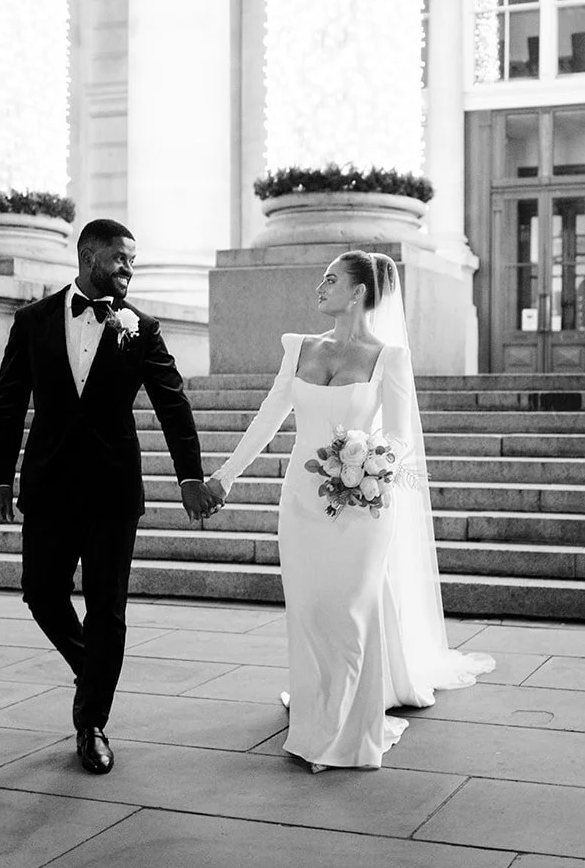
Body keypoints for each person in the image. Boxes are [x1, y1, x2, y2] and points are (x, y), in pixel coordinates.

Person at [204, 250, 494, 771]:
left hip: (362, 507)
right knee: (310, 612)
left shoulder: (389, 358)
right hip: (302, 503)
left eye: (331, 279)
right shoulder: (298, 348)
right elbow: (268, 419)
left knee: (349, 615)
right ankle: (315, 708)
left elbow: (402, 441)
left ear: (359, 292)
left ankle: (339, 736)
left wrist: (372, 470)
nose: (320, 287)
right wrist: (224, 477)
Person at [0, 218, 221, 775]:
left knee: (107, 610)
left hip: (113, 490)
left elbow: (173, 403)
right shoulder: (33, 320)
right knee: (41, 593)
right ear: (90, 256)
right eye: (121, 259)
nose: (128, 269)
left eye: (132, 261)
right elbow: (9, 402)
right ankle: (93, 670)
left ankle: (91, 723)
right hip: (48, 486)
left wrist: (190, 477)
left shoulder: (142, 327)